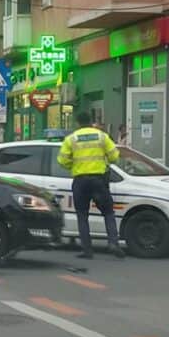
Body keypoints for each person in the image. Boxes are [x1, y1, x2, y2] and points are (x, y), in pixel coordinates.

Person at [58, 111, 125, 260]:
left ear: (77, 123)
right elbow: (115, 156)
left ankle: (87, 250)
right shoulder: (101, 136)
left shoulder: (71, 139)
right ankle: (113, 243)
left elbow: (62, 160)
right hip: (99, 180)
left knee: (82, 215)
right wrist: (105, 162)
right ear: (91, 121)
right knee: (108, 213)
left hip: (80, 180)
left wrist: (74, 165)